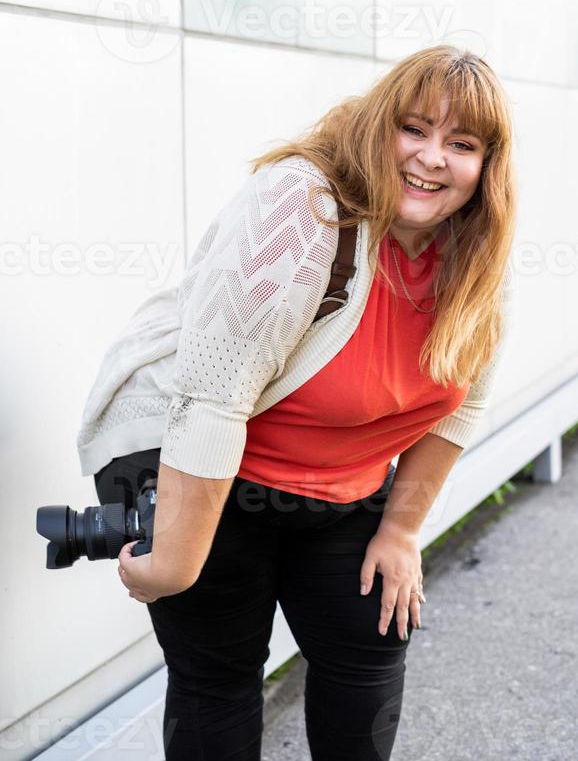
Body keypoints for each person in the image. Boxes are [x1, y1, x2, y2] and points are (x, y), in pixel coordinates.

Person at [80, 45, 517, 760]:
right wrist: (175, 567)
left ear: (486, 167)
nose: (433, 158)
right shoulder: (304, 207)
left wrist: (400, 533)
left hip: (337, 481)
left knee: (370, 646)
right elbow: (211, 398)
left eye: (461, 143)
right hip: (196, 457)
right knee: (218, 676)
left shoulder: (478, 255)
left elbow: (460, 408)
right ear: (381, 128)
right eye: (415, 129)